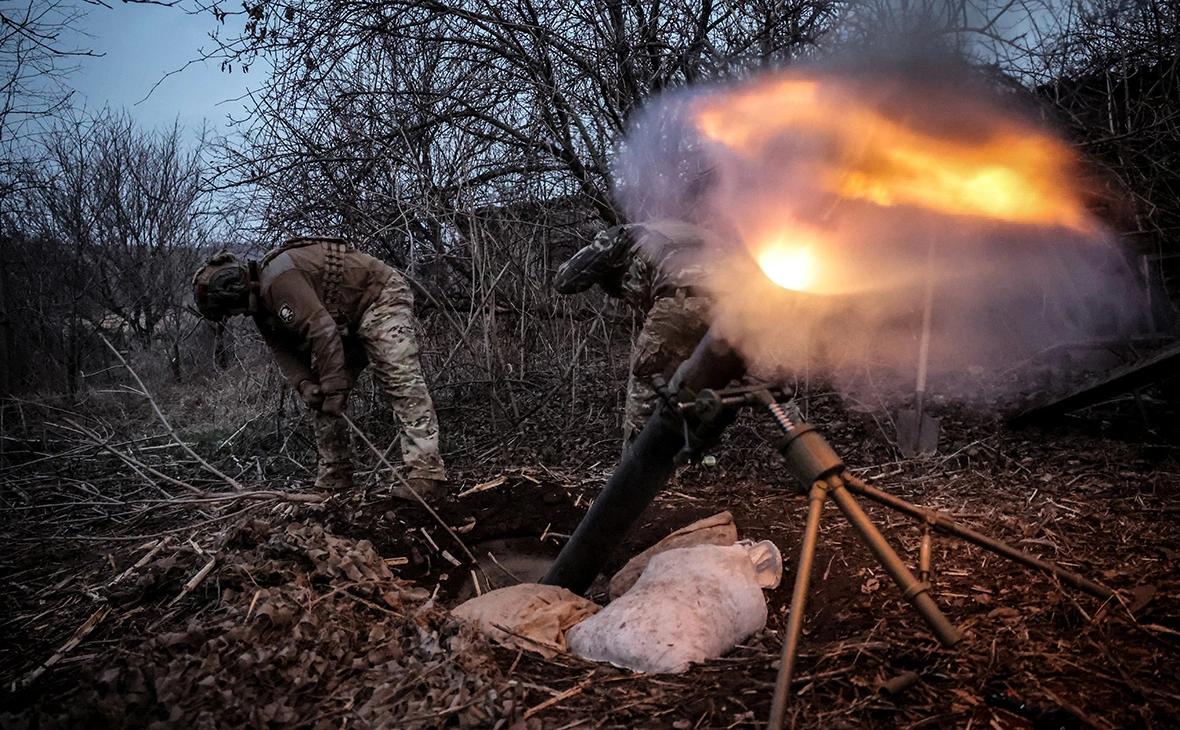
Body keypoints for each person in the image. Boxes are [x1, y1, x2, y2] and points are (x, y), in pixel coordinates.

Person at [192, 236, 447, 499]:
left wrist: (334, 388)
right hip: (344, 321)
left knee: (400, 378)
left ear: (229, 292)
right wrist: (305, 384)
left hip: (379, 296)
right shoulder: (261, 307)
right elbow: (284, 351)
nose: (234, 315)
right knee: (320, 397)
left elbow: (323, 331)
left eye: (228, 311)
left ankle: (427, 475)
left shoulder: (279, 280)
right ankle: (335, 477)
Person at [554, 220, 718, 447]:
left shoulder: (625, 234)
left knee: (647, 386)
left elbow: (564, 280)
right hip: (746, 304)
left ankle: (640, 464)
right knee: (729, 387)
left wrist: (602, 257)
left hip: (683, 300)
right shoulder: (695, 232)